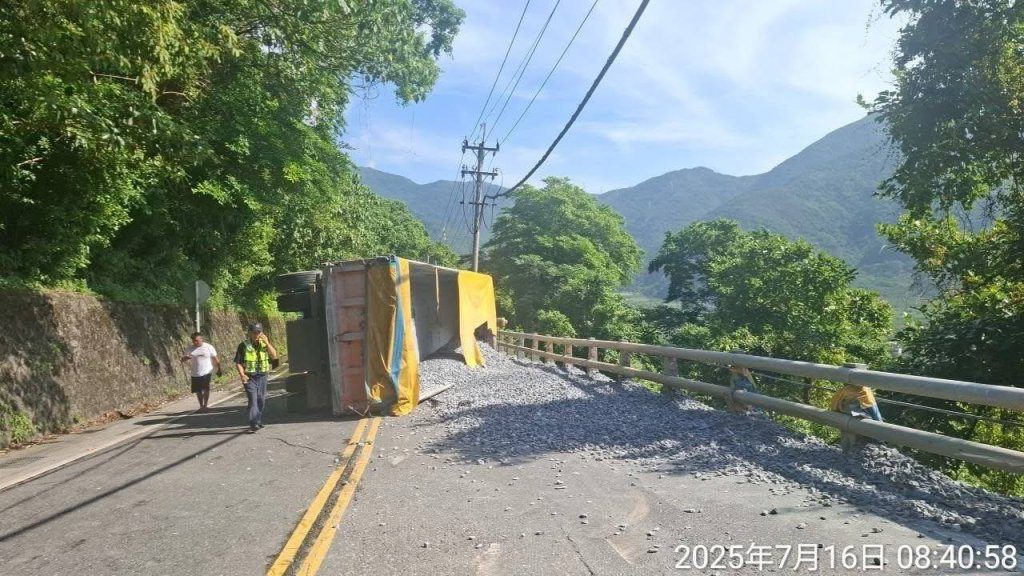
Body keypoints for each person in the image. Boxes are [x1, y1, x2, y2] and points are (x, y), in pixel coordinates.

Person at [234, 323, 279, 432]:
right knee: (253, 400)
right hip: (250, 377)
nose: (256, 334)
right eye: (254, 332)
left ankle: (258, 420)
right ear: (249, 333)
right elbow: (238, 362)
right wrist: (242, 375)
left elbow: (274, 356)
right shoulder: (243, 345)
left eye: (258, 332)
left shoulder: (265, 344)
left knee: (261, 400)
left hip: (262, 376)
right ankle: (253, 423)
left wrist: (267, 343)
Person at [181, 332, 221, 411]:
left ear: (201, 339)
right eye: (193, 341)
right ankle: (201, 406)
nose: (195, 342)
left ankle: (205, 405)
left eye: (197, 340)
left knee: (206, 388)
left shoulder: (208, 347)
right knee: (198, 391)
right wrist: (186, 357)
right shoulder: (190, 348)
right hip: (195, 372)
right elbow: (182, 360)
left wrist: (219, 369)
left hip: (206, 371)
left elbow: (215, 358)